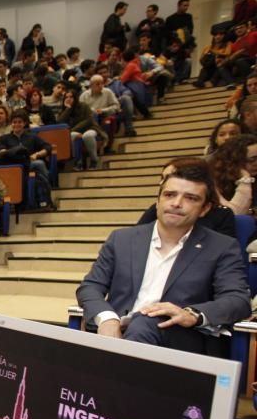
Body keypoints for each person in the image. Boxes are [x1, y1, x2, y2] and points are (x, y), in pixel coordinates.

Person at [77, 160, 250, 354]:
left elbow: (238, 300)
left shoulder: (221, 247)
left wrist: (191, 314)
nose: (176, 203)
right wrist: (107, 318)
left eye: (190, 198)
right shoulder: (121, 239)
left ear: (205, 209)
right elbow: (90, 287)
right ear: (158, 200)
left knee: (143, 323)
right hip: (118, 333)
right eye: (170, 195)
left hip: (179, 341)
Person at [137, 157, 236, 238]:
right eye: (162, 178)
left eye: (170, 176)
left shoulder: (222, 215)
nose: (161, 183)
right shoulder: (158, 208)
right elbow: (138, 237)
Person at [210, 134, 257, 214]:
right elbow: (233, 214)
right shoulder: (213, 182)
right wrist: (245, 179)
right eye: (252, 159)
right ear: (234, 160)